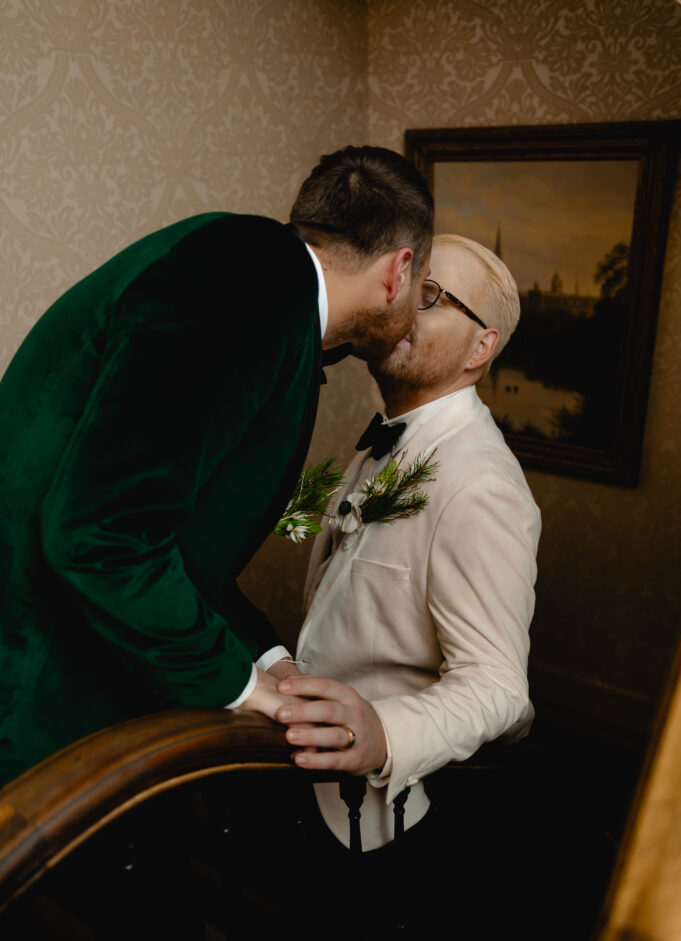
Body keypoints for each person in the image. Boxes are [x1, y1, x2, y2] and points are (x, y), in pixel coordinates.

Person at [0, 146, 433, 785]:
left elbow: (176, 536)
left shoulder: (251, 271)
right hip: (34, 691)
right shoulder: (244, 287)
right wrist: (243, 687)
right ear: (398, 271)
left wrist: (270, 659)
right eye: (424, 289)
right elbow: (103, 535)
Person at [275, 233, 541, 850]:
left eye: (432, 296)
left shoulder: (480, 484)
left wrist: (383, 731)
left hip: (386, 813)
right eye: (405, 286)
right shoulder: (390, 438)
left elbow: (499, 687)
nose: (401, 307)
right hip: (306, 782)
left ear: (482, 347)